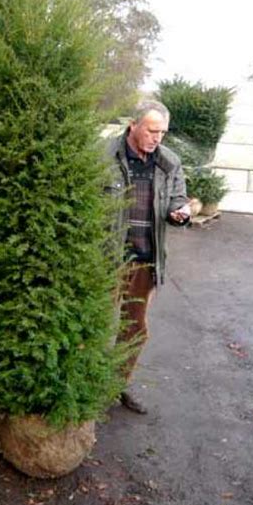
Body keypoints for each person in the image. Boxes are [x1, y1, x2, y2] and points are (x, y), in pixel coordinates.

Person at [106, 100, 191, 414]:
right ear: (134, 125)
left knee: (134, 330)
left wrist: (180, 213)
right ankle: (82, 387)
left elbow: (177, 200)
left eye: (163, 133)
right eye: (152, 130)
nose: (157, 138)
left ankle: (115, 386)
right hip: (107, 261)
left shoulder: (169, 163)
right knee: (94, 327)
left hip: (144, 260)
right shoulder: (103, 156)